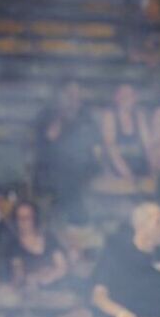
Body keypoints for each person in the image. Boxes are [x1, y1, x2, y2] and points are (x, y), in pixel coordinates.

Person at [34, 81, 100, 222]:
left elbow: (94, 143)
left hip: (81, 170)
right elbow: (49, 137)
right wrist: (62, 114)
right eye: (70, 94)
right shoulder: (48, 114)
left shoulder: (85, 115)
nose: (74, 98)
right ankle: (75, 219)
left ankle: (79, 219)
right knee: (66, 180)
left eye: (77, 94)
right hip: (52, 169)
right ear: (60, 95)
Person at [8, 200, 71, 294]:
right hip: (33, 293)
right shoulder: (14, 246)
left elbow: (62, 267)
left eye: (27, 217)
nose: (23, 221)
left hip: (59, 290)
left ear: (35, 218)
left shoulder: (49, 239)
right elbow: (19, 275)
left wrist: (46, 277)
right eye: (19, 218)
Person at [98, 84, 153, 182]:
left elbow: (147, 144)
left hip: (139, 163)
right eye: (124, 95)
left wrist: (152, 169)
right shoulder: (110, 116)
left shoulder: (139, 116)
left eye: (131, 95)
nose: (128, 98)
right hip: (118, 165)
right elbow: (110, 146)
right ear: (117, 97)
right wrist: (127, 174)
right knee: (111, 150)